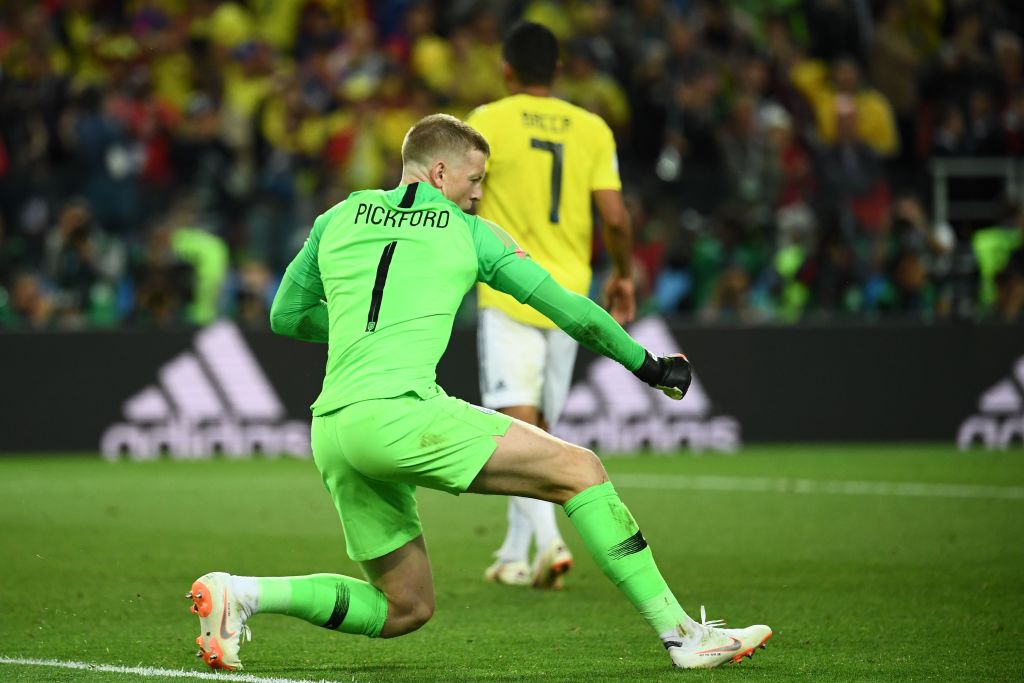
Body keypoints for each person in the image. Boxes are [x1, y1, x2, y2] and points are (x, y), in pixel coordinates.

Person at [186, 113, 771, 671]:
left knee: (405, 607)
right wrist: (648, 365)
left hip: (333, 430)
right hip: (401, 417)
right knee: (582, 470)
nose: (477, 193)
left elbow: (285, 316)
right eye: (474, 179)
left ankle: (241, 594)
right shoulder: (469, 232)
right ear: (440, 174)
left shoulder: (337, 217)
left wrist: (359, 329)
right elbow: (569, 309)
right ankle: (682, 636)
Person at [466, 21, 636, 589]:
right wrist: (624, 275)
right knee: (538, 427)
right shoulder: (591, 127)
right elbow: (614, 216)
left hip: (509, 287)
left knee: (517, 427)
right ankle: (517, 553)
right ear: (558, 71)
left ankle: (550, 543)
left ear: (506, 69)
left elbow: (458, 203)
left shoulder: (486, 122)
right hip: (569, 297)